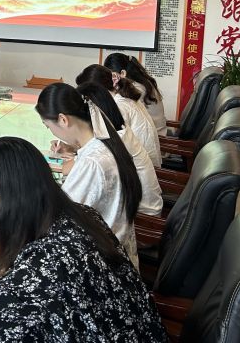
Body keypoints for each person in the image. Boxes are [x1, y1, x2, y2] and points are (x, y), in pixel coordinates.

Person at [0, 137, 167, 343]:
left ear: (13, 198)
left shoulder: (49, 264)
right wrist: (2, 257)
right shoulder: (82, 215)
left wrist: (5, 284)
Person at [35, 82, 143, 267]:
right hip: (117, 252)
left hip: (105, 264)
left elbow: (60, 220)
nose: (51, 132)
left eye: (48, 126)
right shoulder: (105, 142)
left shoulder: (92, 163)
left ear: (63, 119)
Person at [77, 82, 162, 217]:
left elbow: (79, 171)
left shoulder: (109, 141)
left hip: (142, 216)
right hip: (144, 205)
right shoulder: (119, 130)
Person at [76, 64, 162, 168]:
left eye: (88, 97)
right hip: (147, 162)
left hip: (142, 168)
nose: (90, 102)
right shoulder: (123, 97)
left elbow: (108, 147)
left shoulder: (118, 106)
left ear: (97, 92)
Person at [104, 52, 167, 135]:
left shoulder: (135, 88)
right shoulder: (142, 82)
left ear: (122, 73)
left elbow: (121, 115)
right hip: (154, 131)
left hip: (155, 136)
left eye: (112, 76)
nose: (112, 80)